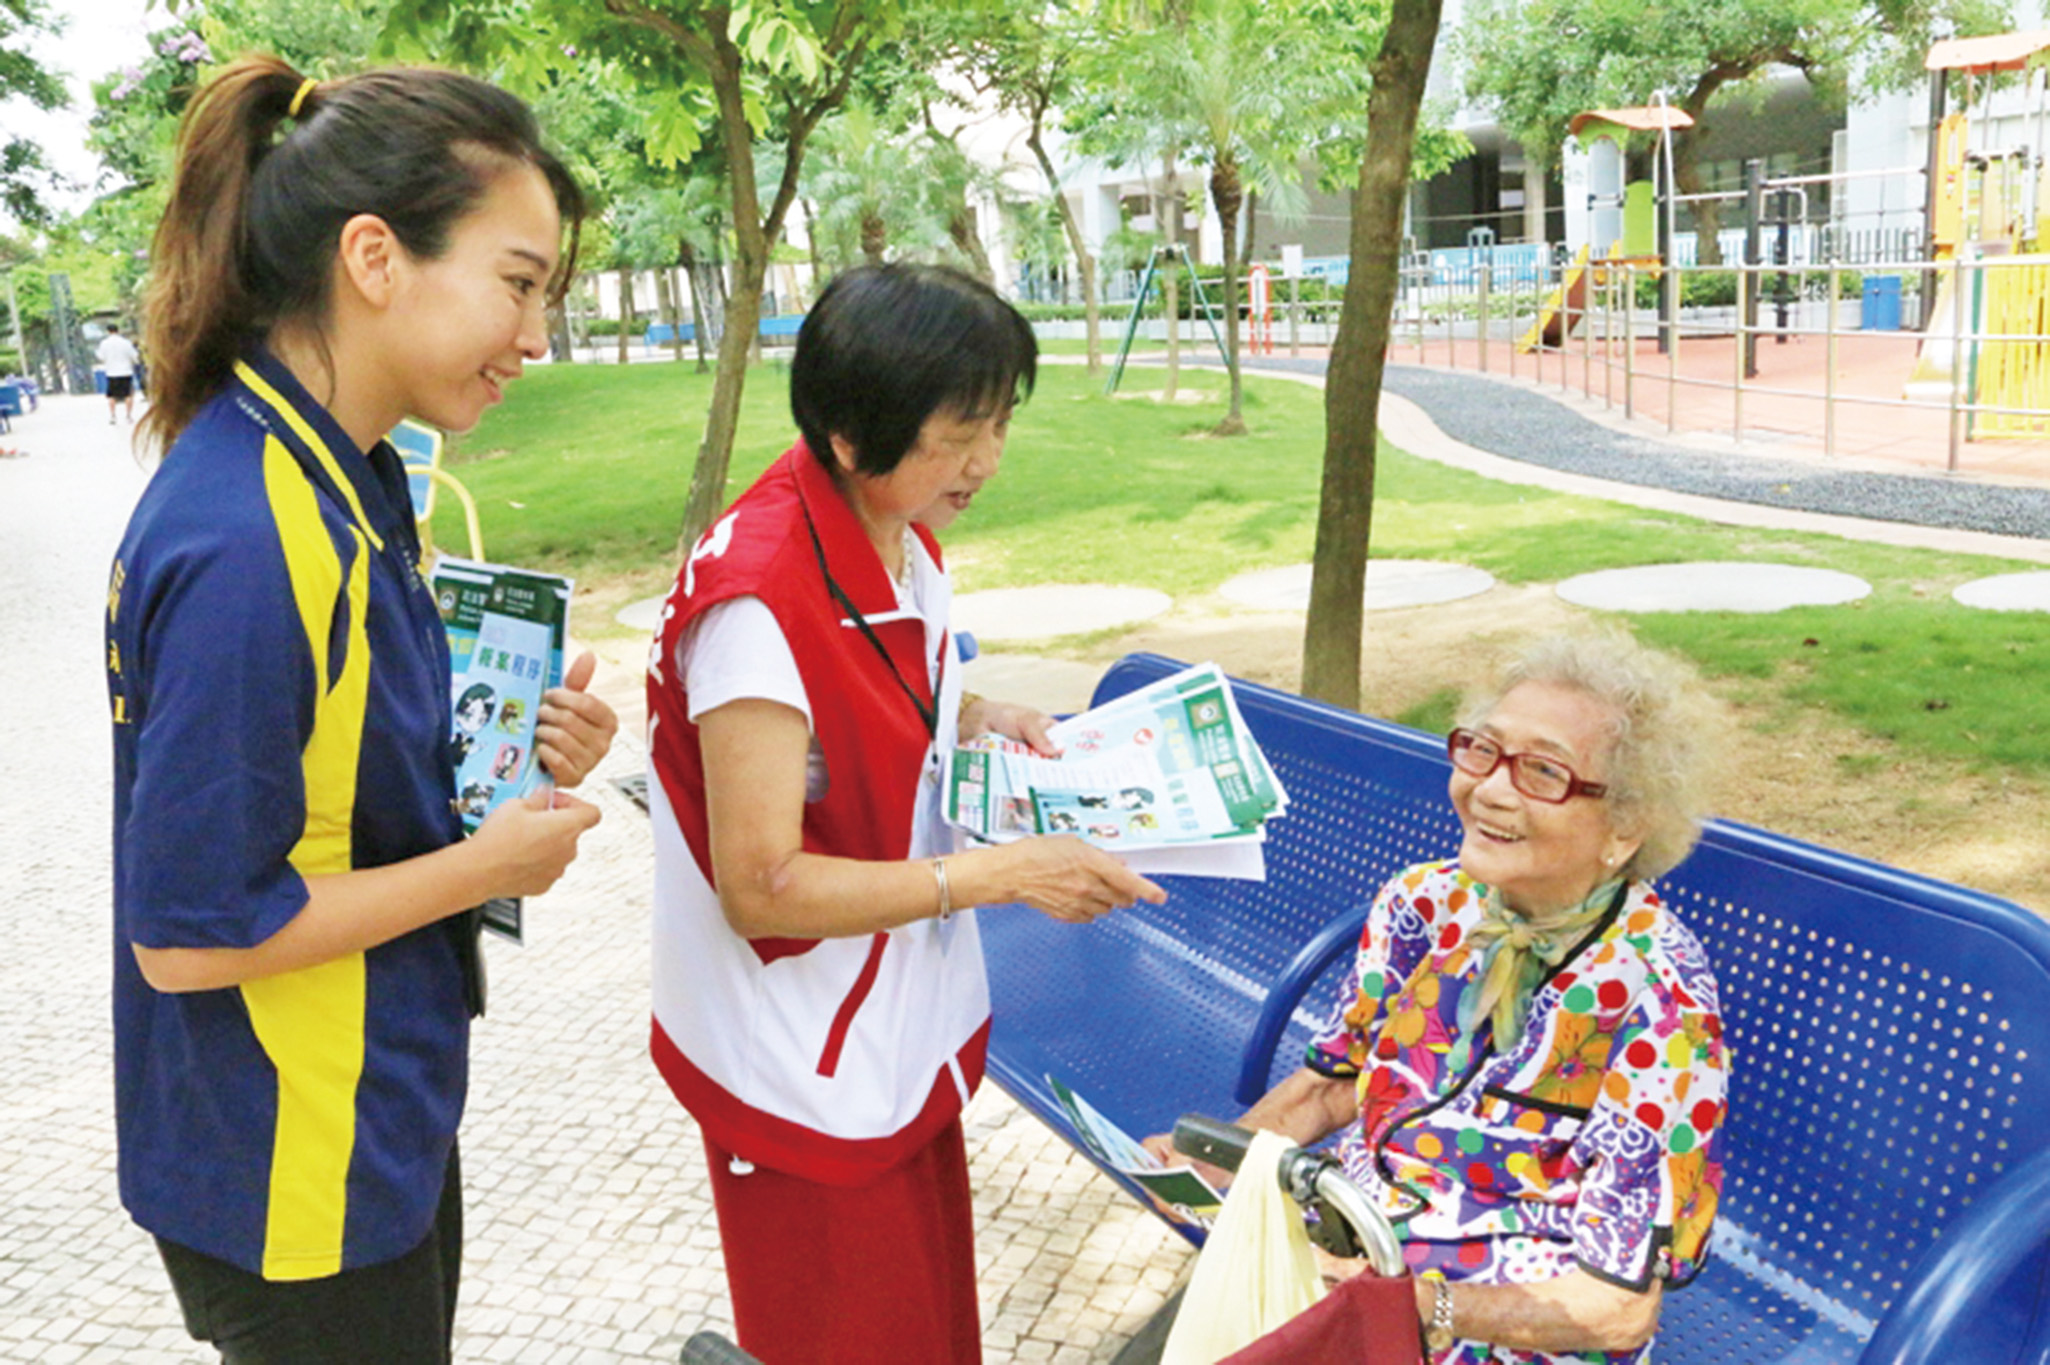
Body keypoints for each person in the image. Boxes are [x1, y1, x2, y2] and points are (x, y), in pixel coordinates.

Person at [107, 56, 618, 1364]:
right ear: (375, 257)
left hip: (366, 1109)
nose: (537, 338)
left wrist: (508, 755)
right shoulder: (251, 540)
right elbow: (191, 936)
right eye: (516, 283)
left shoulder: (351, 474)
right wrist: (479, 868)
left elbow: (336, 766)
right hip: (291, 1155)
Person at [646, 262, 1167, 1363]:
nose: (985, 462)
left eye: (999, 423)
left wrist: (978, 712)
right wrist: (1000, 874)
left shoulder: (895, 525)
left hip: (894, 1029)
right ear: (850, 432)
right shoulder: (758, 602)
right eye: (957, 433)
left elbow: (874, 693)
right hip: (800, 1059)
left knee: (927, 1329)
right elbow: (761, 884)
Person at [1144, 632, 1730, 1364]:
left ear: (1625, 826)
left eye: (1543, 771)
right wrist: (1219, 1161)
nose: (1488, 788)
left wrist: (1421, 1304)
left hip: (1503, 1324)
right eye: (1482, 750)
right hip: (1350, 1252)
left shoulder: (1660, 997)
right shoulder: (1424, 904)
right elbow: (1334, 1083)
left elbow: (1615, 1310)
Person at [97, 321, 142, 424]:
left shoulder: (104, 343)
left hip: (111, 372)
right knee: (128, 395)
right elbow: (134, 356)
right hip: (126, 371)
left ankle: (113, 416)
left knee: (112, 395)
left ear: (108, 331)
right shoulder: (126, 342)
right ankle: (128, 416)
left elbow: (101, 357)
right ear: (118, 331)